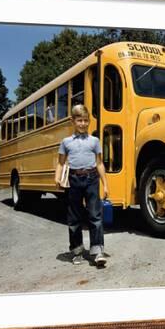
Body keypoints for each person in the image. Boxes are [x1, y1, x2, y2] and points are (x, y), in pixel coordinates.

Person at [55, 104, 109, 267]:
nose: (83, 124)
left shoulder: (94, 141)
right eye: (79, 120)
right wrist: (57, 178)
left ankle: (97, 251)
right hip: (73, 180)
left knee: (95, 215)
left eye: (86, 121)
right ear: (73, 121)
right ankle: (77, 250)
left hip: (91, 178)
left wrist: (105, 184)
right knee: (74, 218)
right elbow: (60, 162)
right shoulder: (66, 142)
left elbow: (99, 163)